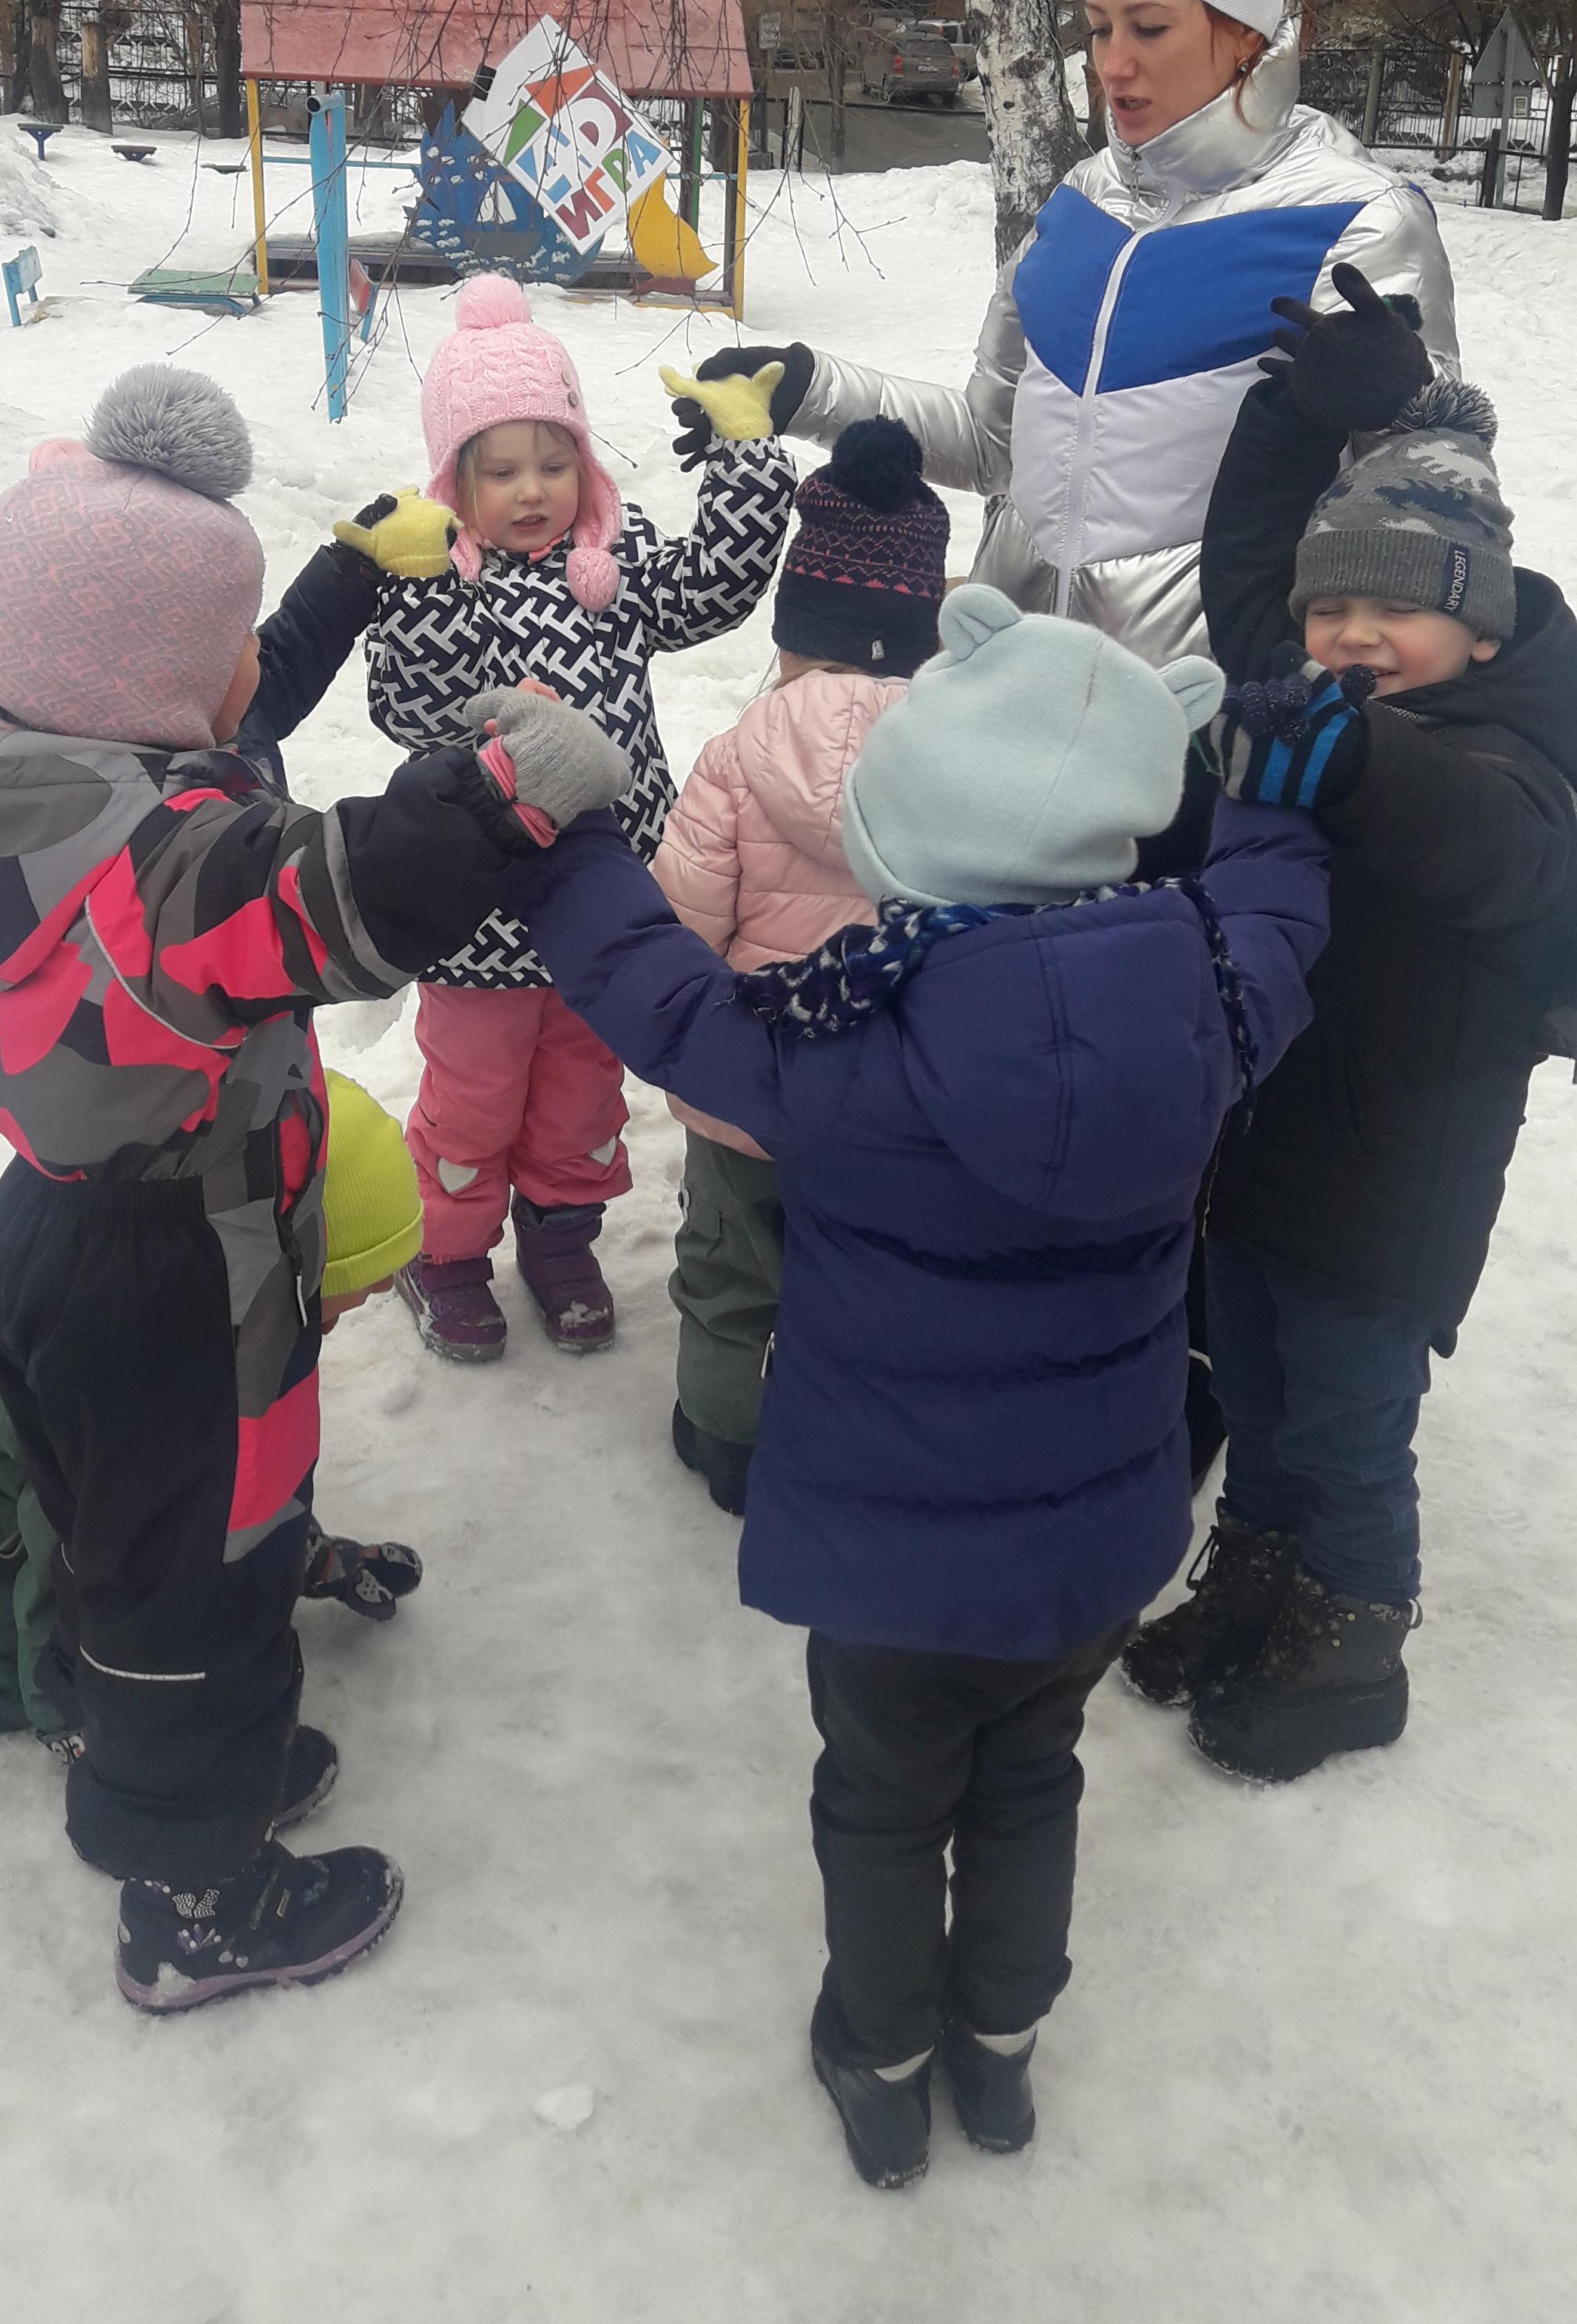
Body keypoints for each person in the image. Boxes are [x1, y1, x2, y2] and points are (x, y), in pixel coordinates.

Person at [505, 585, 1332, 2187]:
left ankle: (879, 2057)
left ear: (899, 853)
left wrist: (565, 838)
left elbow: (661, 993)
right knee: (1033, 1779)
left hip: (893, 1566)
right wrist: (1274, 815)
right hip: (1095, 1545)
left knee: (883, 1805)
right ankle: (1002, 2049)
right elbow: (1281, 924)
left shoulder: (842, 1051)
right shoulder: (1209, 1010)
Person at [0, 362, 628, 2012]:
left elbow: (235, 736)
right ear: (139, 683)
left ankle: (177, 1732)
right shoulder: (159, 876)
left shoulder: (20, 779)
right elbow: (339, 897)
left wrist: (334, 587)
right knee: (190, 1578)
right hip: (174, 1273)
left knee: (139, 1536)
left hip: (68, 1235)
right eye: (226, 654)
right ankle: (194, 1893)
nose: (250, 683)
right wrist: (505, 789)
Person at [1124, 269, 1577, 1781]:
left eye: (1395, 610)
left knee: (1349, 1413)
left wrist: (1356, 758)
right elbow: (1249, 562)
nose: (1353, 634)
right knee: (1249, 1377)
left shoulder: (1513, 752)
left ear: (1482, 632)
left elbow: (1483, 841)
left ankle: (1357, 1628)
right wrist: (1295, 411)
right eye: (1335, 609)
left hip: (1394, 1174)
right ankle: (1257, 1567)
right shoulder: (1302, 686)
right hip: (1259, 1142)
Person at [687, 0, 1458, 667]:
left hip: (1200, 728)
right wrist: (806, 388)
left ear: (1244, 36)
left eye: (1150, 28)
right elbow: (992, 448)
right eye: (1098, 28)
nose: (1112, 64)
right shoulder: (1077, 205)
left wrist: (1404, 414)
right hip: (1009, 687)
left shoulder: (1357, 220)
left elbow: (1434, 510)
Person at [350, 274, 795, 1366]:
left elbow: (712, 592)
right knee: (473, 1095)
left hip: (603, 906)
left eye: (554, 462)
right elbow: (410, 708)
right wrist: (413, 594)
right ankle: (445, 1253)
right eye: (500, 470)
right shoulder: (442, 574)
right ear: (454, 475)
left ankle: (559, 1241)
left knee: (582, 1093)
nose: (533, 489)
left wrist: (743, 464)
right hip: (478, 914)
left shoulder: (618, 562)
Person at [0, 1075, 428, 1742]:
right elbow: (79, 1556)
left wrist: (293, 1556)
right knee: (20, 1668)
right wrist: (82, 1716)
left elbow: (219, 1487)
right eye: (339, 1302)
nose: (344, 1322)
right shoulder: (122, 1389)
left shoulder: (181, 1288)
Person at [652, 416, 949, 1513]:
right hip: (891, 1105)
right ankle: (847, 1435)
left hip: (746, 1095)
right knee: (864, 1277)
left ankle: (723, 1435)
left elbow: (681, 923)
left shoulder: (737, 757)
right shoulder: (962, 763)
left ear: (794, 627)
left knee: (729, 1273)